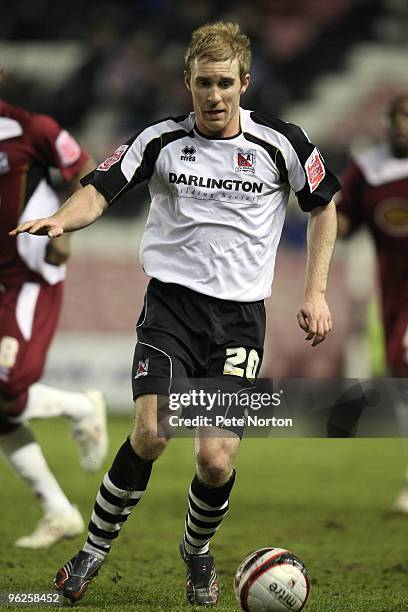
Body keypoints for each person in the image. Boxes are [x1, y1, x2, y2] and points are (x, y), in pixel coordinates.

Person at [11, 22, 339, 606]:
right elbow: (99, 188)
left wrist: (315, 292)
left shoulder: (282, 143)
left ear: (244, 82)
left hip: (240, 320)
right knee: (152, 432)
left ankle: (197, 551)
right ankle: (91, 552)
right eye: (203, 84)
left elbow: (324, 208)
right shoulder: (159, 141)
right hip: (171, 309)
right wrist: (63, 219)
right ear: (186, 81)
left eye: (224, 84)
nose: (213, 96)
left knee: (215, 460)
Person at [0, 66, 108, 548]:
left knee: (8, 381)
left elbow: (89, 171)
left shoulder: (32, 129)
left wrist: (62, 227)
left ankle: (79, 406)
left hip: (26, 274)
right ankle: (59, 510)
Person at [337, 94, 408, 512]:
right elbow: (345, 223)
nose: (401, 124)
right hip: (393, 293)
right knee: (399, 381)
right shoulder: (369, 170)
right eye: (395, 117)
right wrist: (321, 208)